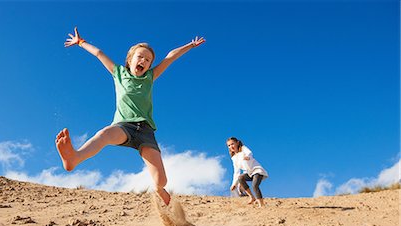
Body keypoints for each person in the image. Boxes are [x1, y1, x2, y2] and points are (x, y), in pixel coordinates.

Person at [56, 27, 205, 206]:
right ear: (130, 60)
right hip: (123, 126)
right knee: (104, 134)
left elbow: (170, 57)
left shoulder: (150, 77)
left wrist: (190, 45)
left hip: (146, 131)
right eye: (140, 56)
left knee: (161, 181)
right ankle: (74, 157)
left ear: (150, 66)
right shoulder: (118, 73)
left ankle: (158, 190)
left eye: (148, 60)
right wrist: (81, 42)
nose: (143, 60)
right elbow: (99, 54)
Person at [226, 137, 268, 207]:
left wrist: (248, 157)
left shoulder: (243, 148)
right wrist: (234, 184)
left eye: (232, 144)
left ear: (237, 143)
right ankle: (252, 197)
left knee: (255, 185)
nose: (231, 146)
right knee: (240, 178)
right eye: (229, 145)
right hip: (249, 173)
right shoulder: (234, 158)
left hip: (257, 170)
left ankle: (261, 204)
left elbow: (249, 153)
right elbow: (236, 172)